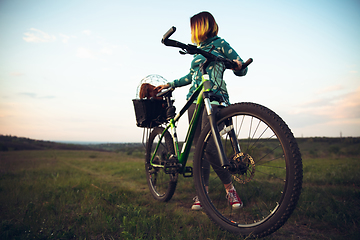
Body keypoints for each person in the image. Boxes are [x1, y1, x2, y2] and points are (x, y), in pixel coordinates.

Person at [156, 11, 248, 210]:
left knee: (210, 148)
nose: (192, 31)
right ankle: (202, 193)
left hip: (216, 99)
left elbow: (241, 67)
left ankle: (230, 189)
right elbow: (191, 77)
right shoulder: (197, 51)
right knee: (200, 149)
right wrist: (170, 84)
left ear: (201, 26)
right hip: (194, 102)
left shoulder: (221, 44)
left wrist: (239, 66)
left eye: (193, 27)